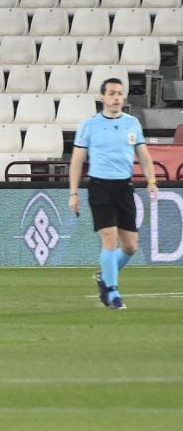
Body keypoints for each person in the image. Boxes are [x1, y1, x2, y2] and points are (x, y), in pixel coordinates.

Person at [68, 78, 159, 310]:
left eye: (120, 93)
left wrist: (151, 180)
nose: (116, 97)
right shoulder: (89, 125)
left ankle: (104, 277)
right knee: (108, 239)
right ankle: (112, 293)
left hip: (124, 188)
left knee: (130, 247)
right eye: (112, 93)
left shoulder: (132, 123)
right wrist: (73, 193)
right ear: (103, 98)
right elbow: (77, 160)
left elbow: (144, 156)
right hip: (100, 187)